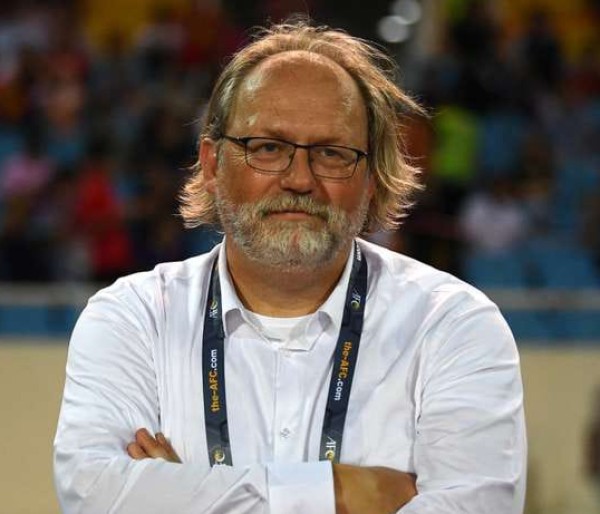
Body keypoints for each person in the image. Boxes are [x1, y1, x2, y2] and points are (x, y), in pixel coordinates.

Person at [54, 20, 527, 514]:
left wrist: (182, 493)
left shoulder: (452, 326)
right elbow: (94, 494)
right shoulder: (132, 318)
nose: (300, 179)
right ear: (213, 165)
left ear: (371, 178)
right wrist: (337, 492)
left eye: (332, 153)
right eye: (268, 148)